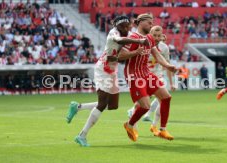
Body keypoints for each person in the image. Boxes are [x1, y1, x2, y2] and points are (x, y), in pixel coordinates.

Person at [66, 16, 148, 147]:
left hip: (112, 70)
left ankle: (77, 107)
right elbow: (118, 40)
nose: (126, 28)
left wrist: (136, 52)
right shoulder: (114, 33)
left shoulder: (127, 35)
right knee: (102, 104)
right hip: (103, 69)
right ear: (117, 26)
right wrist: (139, 43)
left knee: (113, 105)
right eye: (123, 26)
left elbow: (120, 58)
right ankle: (82, 135)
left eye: (127, 26)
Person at [118, 14, 177, 142]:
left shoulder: (149, 39)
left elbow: (157, 55)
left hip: (146, 73)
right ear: (140, 22)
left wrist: (168, 65)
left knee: (166, 97)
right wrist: (135, 52)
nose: (151, 25)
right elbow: (120, 55)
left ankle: (162, 130)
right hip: (134, 74)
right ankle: (129, 124)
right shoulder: (132, 37)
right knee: (145, 106)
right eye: (149, 22)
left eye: (152, 22)